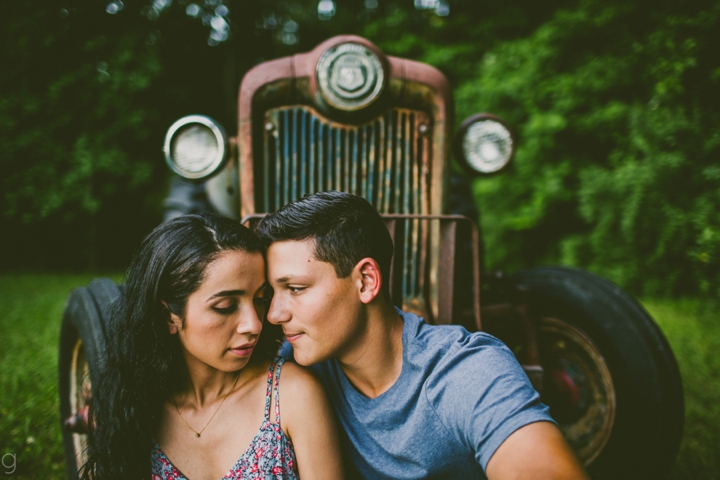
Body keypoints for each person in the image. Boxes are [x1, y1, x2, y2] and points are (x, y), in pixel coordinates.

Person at [257, 191, 589, 480]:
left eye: (296, 289)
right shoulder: (293, 371)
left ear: (366, 281)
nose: (275, 314)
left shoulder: (464, 371)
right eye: (272, 293)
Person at [81, 213, 343, 480]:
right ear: (168, 316)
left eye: (261, 299)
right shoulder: (136, 406)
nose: (254, 324)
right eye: (225, 307)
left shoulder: (291, 396)